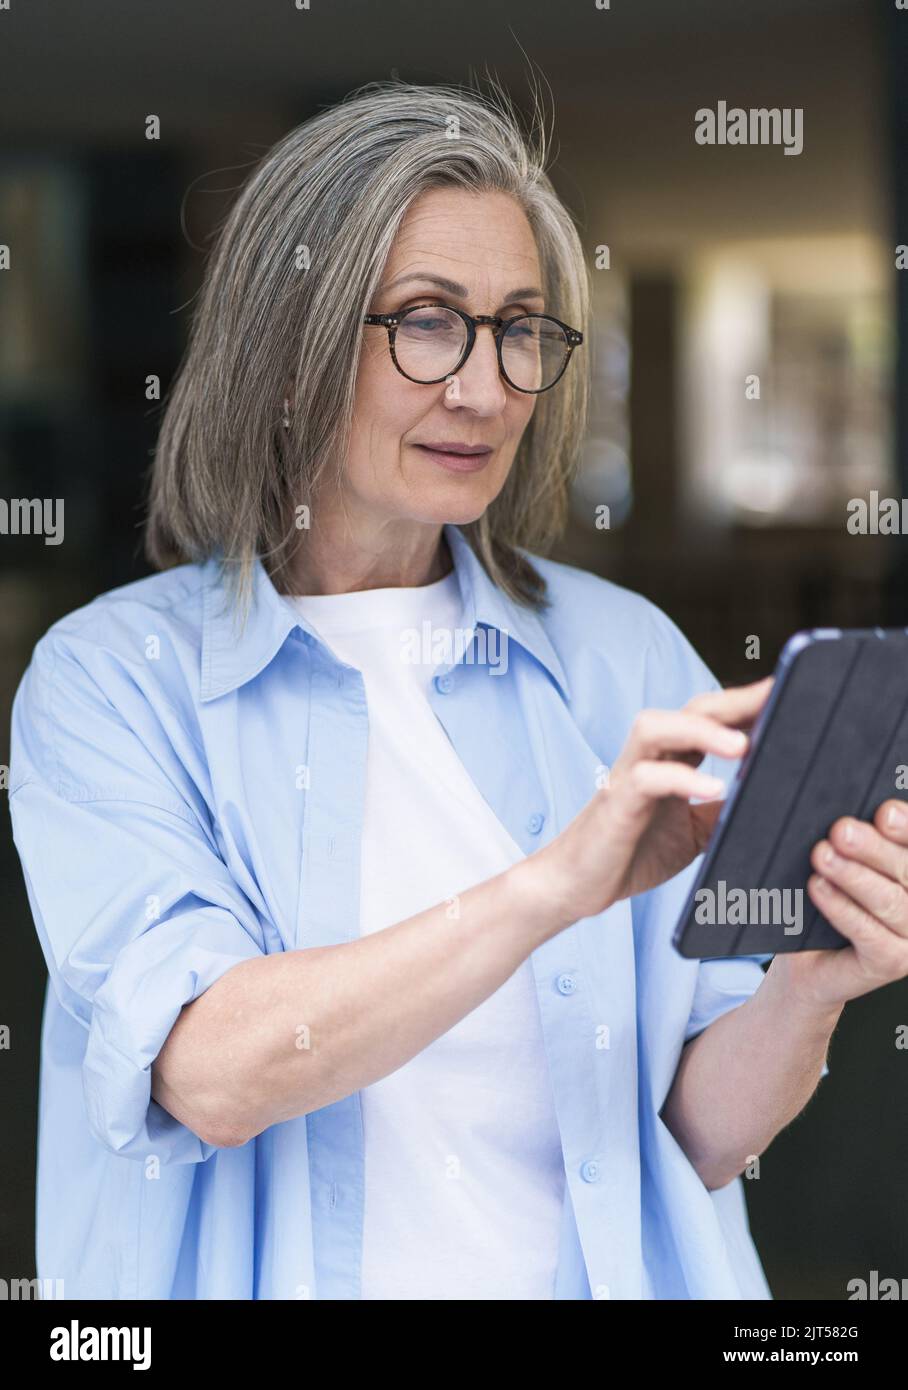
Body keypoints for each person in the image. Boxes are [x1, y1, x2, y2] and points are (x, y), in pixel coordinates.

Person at [10, 77, 908, 1302]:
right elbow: (210, 1072)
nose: (487, 390)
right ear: (287, 354)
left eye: (520, 327)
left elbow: (699, 1137)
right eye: (428, 322)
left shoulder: (623, 655)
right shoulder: (113, 682)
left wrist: (810, 984)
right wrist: (556, 883)